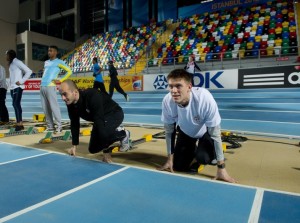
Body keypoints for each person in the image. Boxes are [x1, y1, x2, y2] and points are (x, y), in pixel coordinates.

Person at [158, 69, 236, 183]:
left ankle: (210, 152)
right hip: (186, 132)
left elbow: (215, 134)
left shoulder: (204, 98)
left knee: (203, 158)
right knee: (178, 167)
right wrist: (170, 159)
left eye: (178, 86)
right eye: (170, 86)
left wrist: (221, 168)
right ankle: (193, 149)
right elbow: (169, 132)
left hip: (205, 132)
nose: (173, 91)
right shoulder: (167, 101)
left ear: (189, 87)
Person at [59, 79, 131, 162]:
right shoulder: (70, 103)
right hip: (100, 119)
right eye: (61, 95)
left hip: (114, 114)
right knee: (93, 149)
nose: (63, 98)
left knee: (103, 135)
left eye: (65, 94)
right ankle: (112, 134)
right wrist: (74, 145)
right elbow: (74, 123)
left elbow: (99, 122)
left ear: (75, 92)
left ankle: (123, 134)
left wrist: (106, 152)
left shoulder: (92, 96)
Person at [40, 45, 72, 133]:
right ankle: (50, 126)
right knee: (45, 108)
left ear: (55, 52)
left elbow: (69, 71)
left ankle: (59, 126)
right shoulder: (46, 62)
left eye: (51, 51)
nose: (49, 52)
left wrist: (60, 80)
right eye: (48, 51)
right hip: (42, 86)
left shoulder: (59, 62)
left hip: (51, 86)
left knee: (54, 107)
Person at [6, 50, 32, 131]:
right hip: (12, 87)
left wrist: (21, 81)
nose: (5, 57)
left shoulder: (17, 61)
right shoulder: (11, 63)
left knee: (15, 104)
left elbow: (29, 71)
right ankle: (19, 123)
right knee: (15, 105)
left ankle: (20, 124)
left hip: (18, 87)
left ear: (10, 55)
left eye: (6, 55)